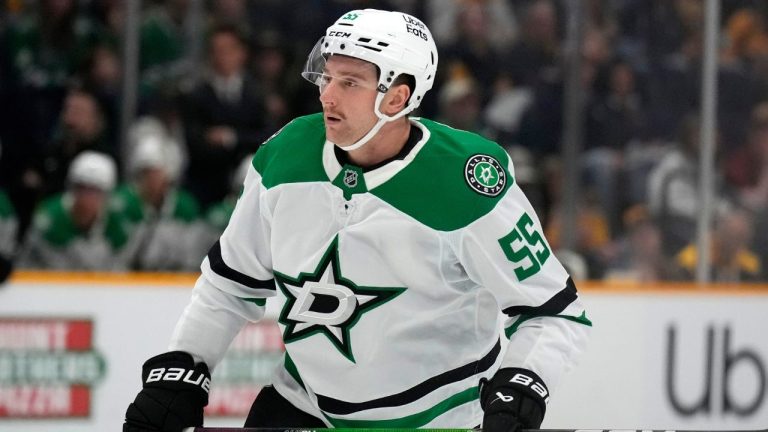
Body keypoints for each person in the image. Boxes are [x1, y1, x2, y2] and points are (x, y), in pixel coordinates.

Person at [124, 9, 591, 431]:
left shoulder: (466, 183)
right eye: (327, 77)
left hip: (435, 419)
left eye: (349, 83)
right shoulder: (285, 156)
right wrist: (184, 366)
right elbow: (230, 284)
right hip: (301, 405)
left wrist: (524, 382)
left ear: (397, 98)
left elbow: (552, 311)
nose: (327, 95)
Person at [18, 151, 127, 270]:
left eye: (95, 191)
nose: (87, 197)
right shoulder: (50, 217)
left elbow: (118, 269)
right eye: (81, 188)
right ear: (71, 188)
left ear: (107, 195)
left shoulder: (117, 222)